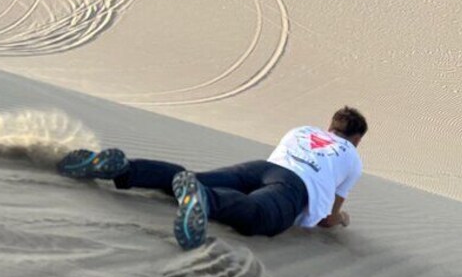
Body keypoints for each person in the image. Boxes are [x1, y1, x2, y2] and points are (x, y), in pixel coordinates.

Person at [58, 106, 367, 250]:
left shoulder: (302, 130)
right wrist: (343, 220)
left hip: (259, 169)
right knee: (257, 216)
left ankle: (124, 168)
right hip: (294, 187)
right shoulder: (352, 157)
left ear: (330, 126)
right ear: (355, 138)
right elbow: (328, 217)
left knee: (190, 178)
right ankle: (205, 200)